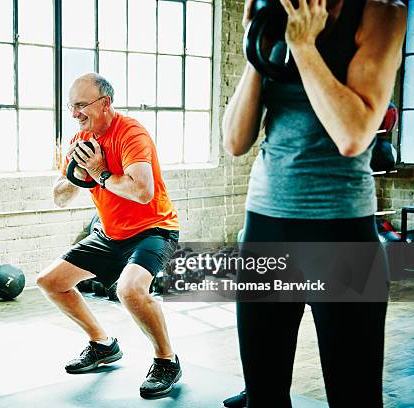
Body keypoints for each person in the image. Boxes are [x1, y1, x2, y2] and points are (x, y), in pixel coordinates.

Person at [221, 1, 406, 407]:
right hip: (266, 226)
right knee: (263, 394)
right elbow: (235, 141)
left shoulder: (381, 13)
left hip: (340, 229)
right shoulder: (277, 13)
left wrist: (303, 46)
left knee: (353, 395)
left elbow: (353, 135)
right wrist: (258, 45)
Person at [36, 73, 181, 399]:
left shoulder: (131, 133)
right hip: (110, 234)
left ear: (105, 104)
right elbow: (59, 197)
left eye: (81, 106)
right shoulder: (80, 141)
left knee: (130, 291)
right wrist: (77, 172)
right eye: (71, 107)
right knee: (50, 281)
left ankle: (166, 360)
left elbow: (143, 192)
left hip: (154, 230)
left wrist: (101, 172)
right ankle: (102, 344)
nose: (75, 115)